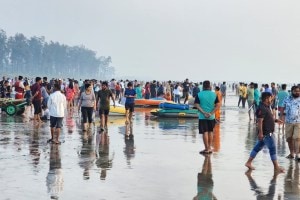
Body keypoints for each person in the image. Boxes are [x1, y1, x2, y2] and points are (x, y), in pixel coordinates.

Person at [245, 92, 284, 173]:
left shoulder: (266, 107)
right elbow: (260, 121)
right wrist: (260, 133)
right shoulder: (262, 108)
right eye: (270, 98)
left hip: (265, 133)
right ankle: (276, 167)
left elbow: (268, 118)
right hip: (266, 133)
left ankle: (248, 162)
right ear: (266, 99)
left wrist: (276, 120)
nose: (271, 99)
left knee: (257, 148)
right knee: (273, 149)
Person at [194, 80, 220, 154]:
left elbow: (196, 104)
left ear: (203, 86)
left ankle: (206, 149)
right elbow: (218, 105)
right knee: (210, 131)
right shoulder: (214, 94)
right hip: (211, 117)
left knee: (205, 132)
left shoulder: (199, 94)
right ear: (210, 86)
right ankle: (209, 148)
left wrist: (204, 112)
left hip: (202, 116)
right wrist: (211, 113)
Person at [282, 85, 300, 161]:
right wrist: (282, 119)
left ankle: (297, 155)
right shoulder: (287, 99)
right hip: (288, 122)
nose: (297, 92)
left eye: (298, 91)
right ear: (292, 91)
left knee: (297, 138)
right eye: (296, 91)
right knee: (289, 138)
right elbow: (282, 109)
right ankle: (291, 153)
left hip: (298, 122)